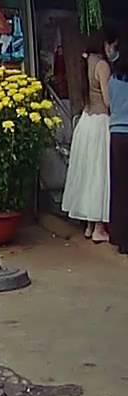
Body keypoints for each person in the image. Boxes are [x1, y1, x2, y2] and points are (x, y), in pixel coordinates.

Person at [63, 31, 113, 243]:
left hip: (85, 122)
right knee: (99, 174)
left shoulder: (85, 61)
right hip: (101, 122)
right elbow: (108, 100)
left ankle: (89, 226)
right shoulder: (102, 65)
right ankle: (99, 227)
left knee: (87, 173)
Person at [109, 27, 128, 254]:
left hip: (116, 135)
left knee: (119, 188)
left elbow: (110, 104)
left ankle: (121, 238)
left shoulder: (113, 79)